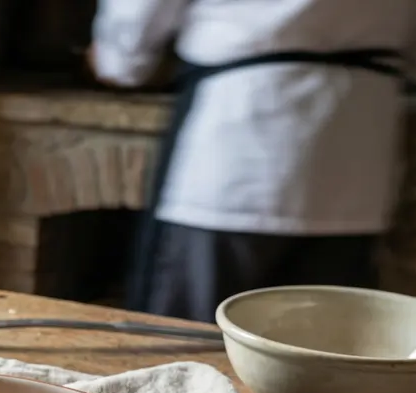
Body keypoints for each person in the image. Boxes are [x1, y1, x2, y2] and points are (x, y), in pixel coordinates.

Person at [88, 1, 414, 322]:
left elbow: (136, 21)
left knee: (183, 338)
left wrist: (118, 58)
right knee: (322, 341)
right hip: (363, 141)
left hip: (241, 133)